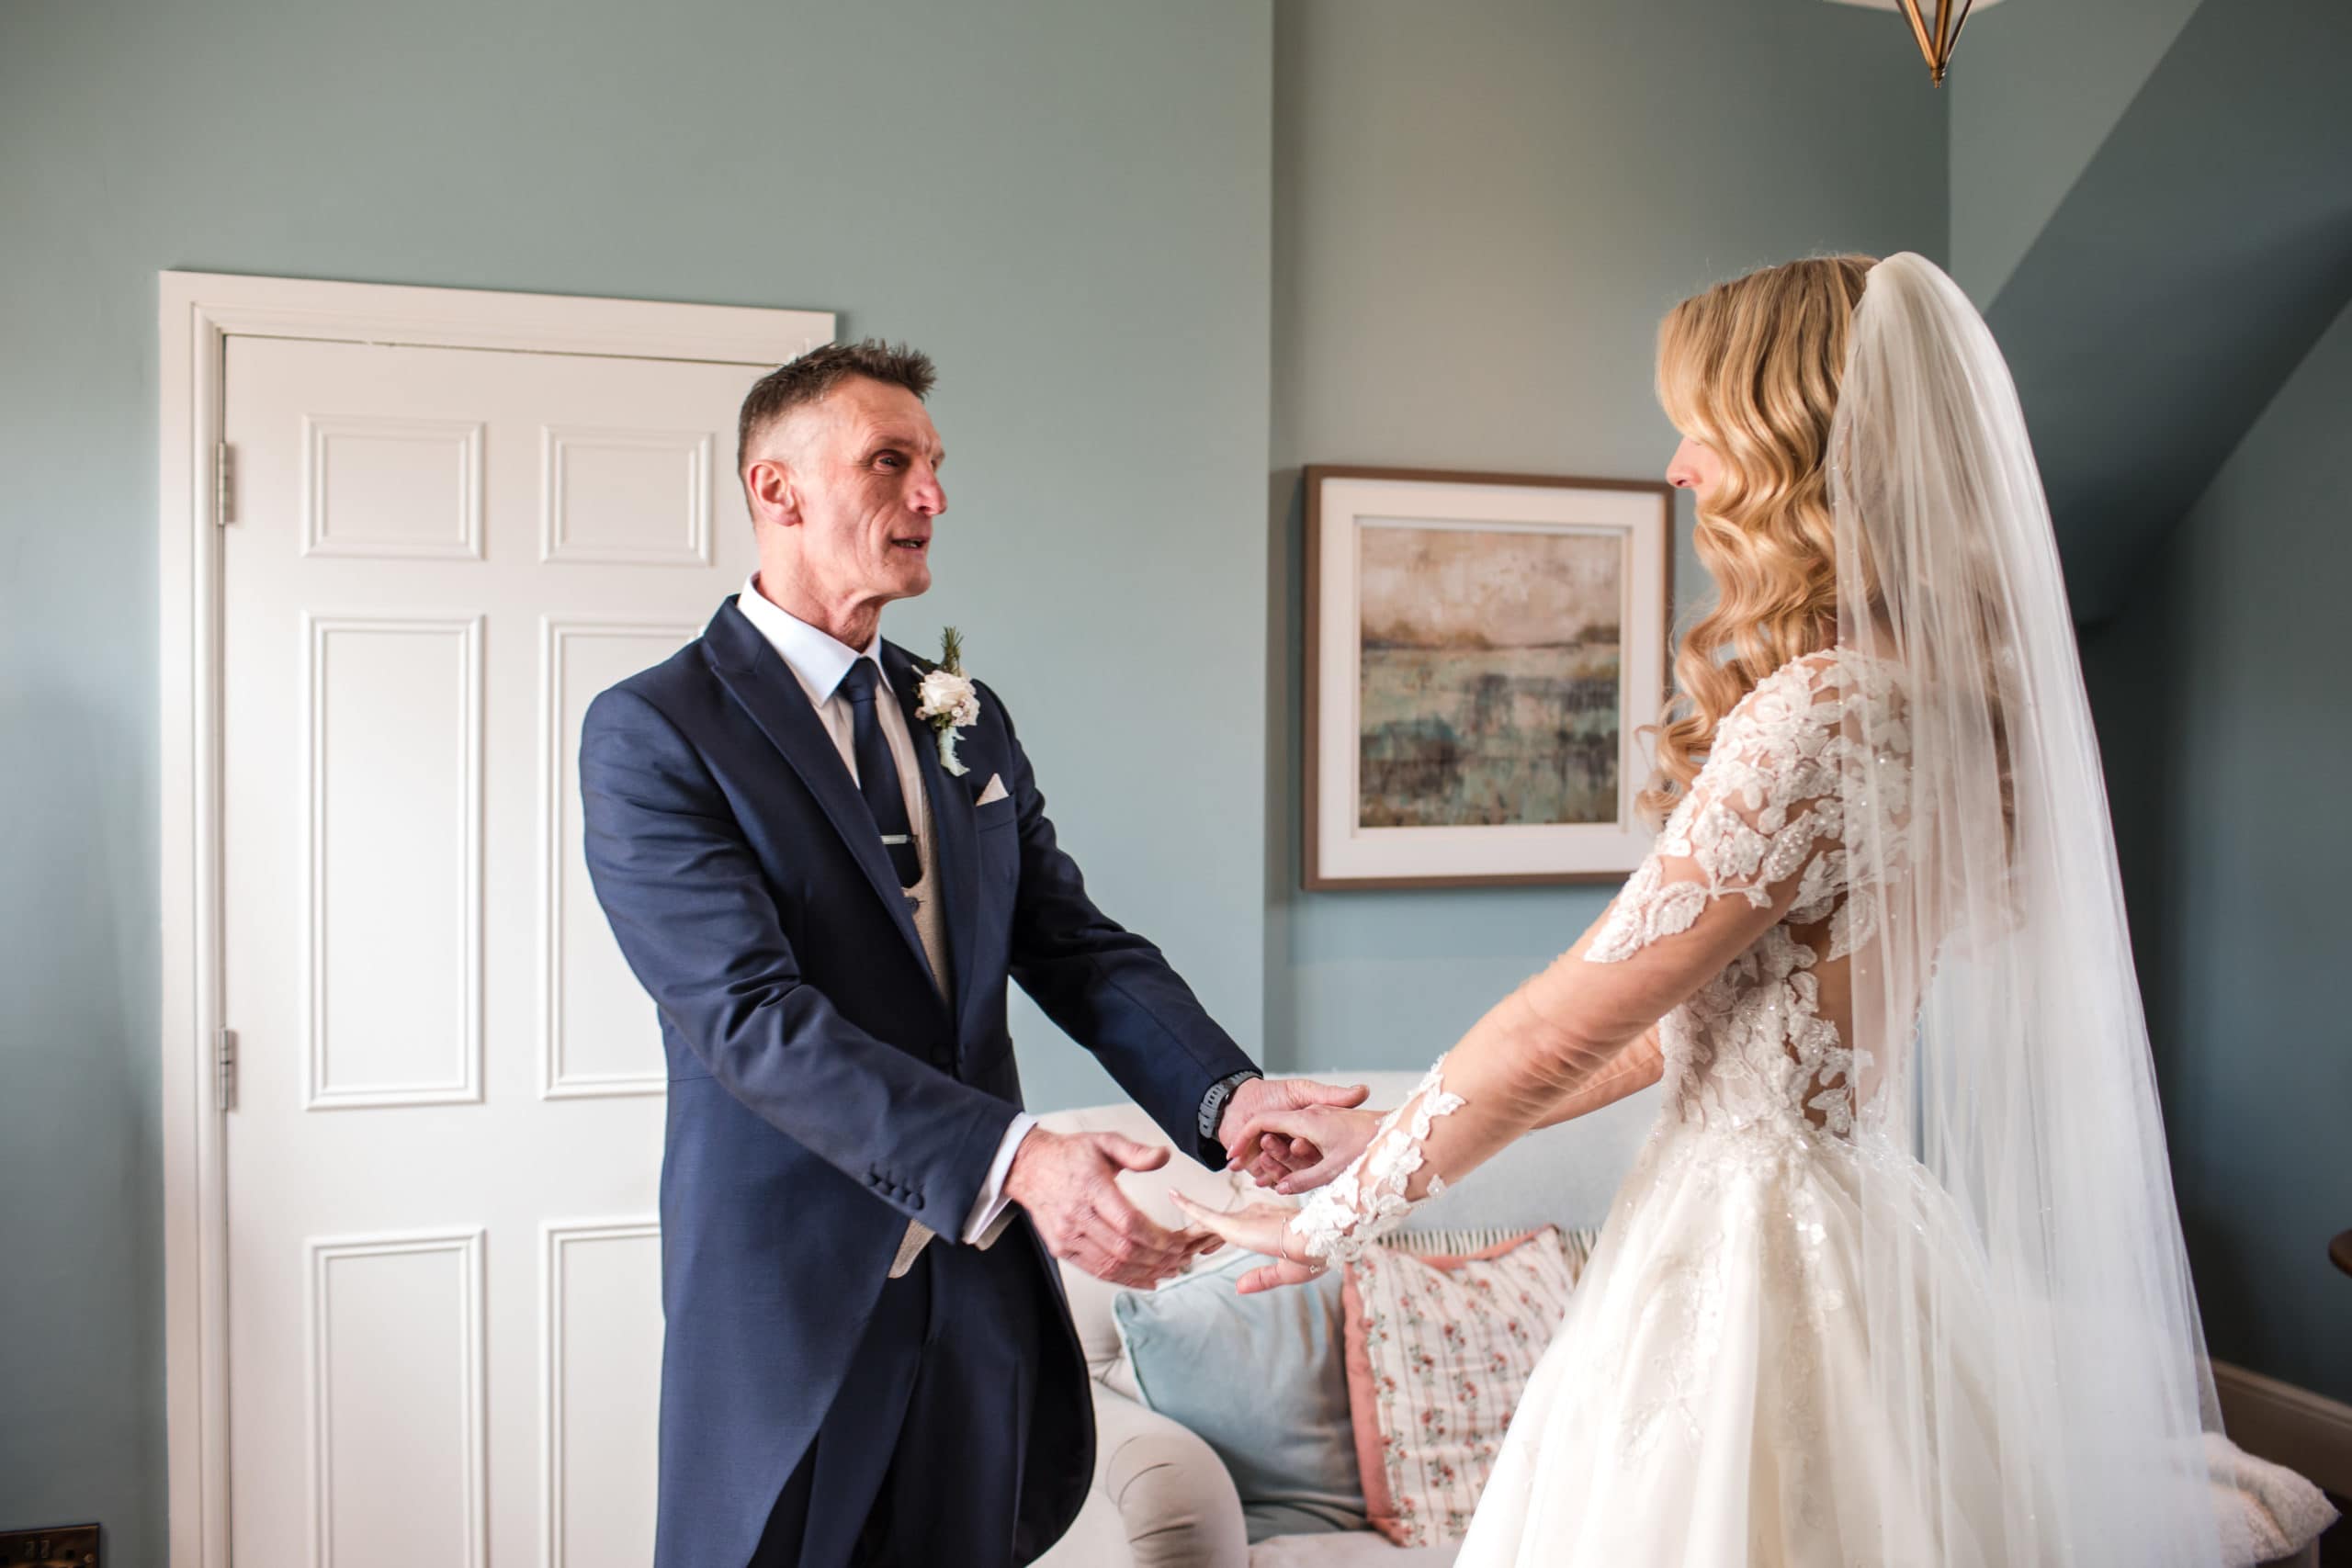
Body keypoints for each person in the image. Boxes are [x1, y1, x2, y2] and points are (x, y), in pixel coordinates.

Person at [1181, 254, 2228, 1565]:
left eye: (1699, 423)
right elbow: (1677, 1036)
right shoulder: (1939, 700)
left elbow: (1565, 1026)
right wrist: (1388, 1134)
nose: (1677, 465)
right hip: (1852, 1221)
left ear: (1790, 441)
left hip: (1753, 1261)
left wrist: (1334, 1219)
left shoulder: (1819, 712)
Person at [578, 339, 1365, 1568]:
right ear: (775, 492)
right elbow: (748, 1019)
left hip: (982, 1292)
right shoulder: (654, 731)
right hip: (795, 1299)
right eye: (892, 462)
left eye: (935, 466)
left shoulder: (964, 712)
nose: (933, 496)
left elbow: (1072, 945)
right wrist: (1020, 1157)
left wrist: (1230, 1094)